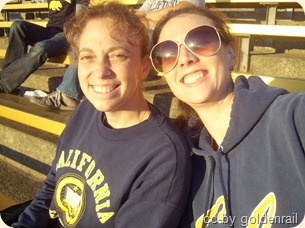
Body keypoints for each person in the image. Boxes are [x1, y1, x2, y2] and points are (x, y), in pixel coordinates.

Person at [12, 3, 191, 227]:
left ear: (144, 66)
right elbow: (51, 188)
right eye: (88, 57)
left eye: (117, 55)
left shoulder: (163, 155)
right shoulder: (84, 111)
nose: (100, 71)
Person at [149, 7, 305, 227]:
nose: (184, 58)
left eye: (201, 40)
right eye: (167, 54)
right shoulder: (183, 164)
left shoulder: (292, 118)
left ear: (231, 54)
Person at [30, 0, 204, 110]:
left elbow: (183, 9)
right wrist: (149, 17)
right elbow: (136, 17)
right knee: (85, 39)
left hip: (164, 39)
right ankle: (70, 92)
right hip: (142, 35)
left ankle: (70, 94)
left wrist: (148, 17)